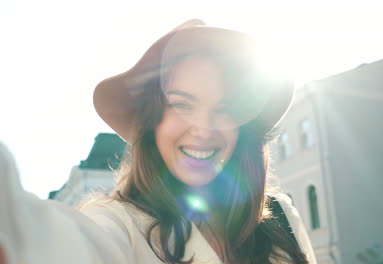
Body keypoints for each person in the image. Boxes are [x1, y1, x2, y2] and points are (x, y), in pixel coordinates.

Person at [0, 19, 316, 264]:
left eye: (225, 109)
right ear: (152, 121)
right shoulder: (117, 225)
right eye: (181, 104)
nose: (204, 128)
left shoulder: (281, 218)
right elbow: (47, 243)